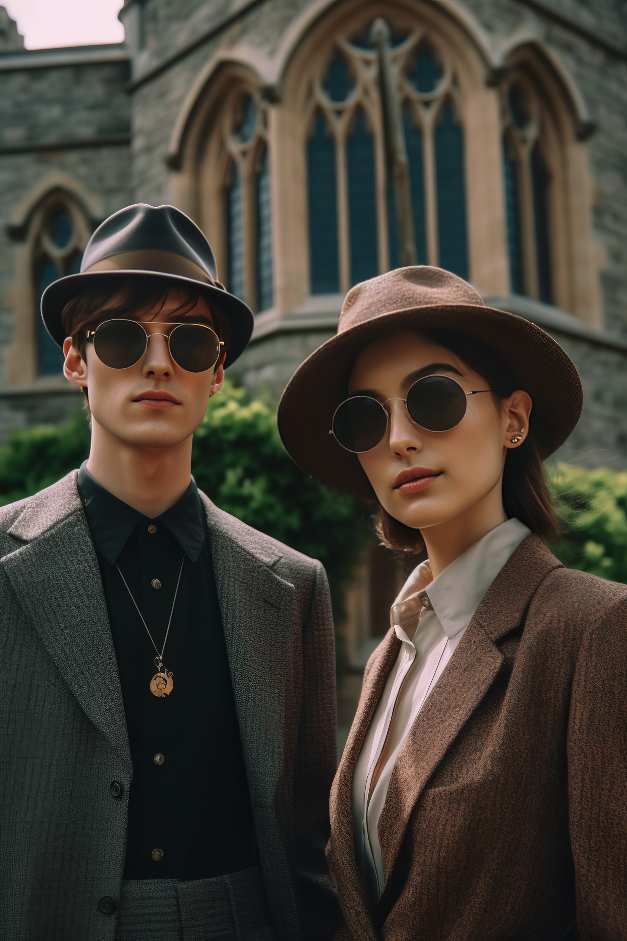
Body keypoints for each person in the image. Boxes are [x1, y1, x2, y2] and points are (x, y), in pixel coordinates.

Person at [0, 203, 338, 941]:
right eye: (122, 337)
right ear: (74, 361)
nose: (158, 363)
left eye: (188, 342)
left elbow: (310, 837)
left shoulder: (294, 583)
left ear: (217, 372)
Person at [277, 265, 627, 940]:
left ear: (512, 418)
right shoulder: (394, 651)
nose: (399, 438)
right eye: (365, 417)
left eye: (431, 398)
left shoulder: (593, 628)